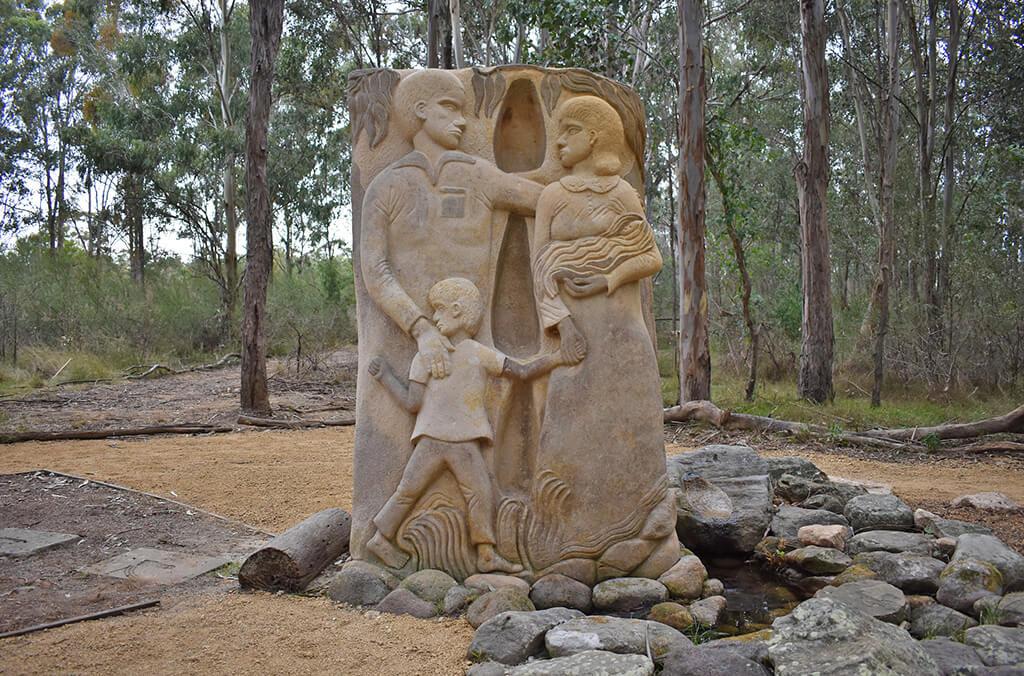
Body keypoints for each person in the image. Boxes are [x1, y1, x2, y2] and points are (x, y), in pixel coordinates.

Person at [526, 95, 678, 579]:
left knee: (629, 432)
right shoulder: (553, 195)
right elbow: (540, 268)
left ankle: (636, 532)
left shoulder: (622, 193)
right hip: (575, 339)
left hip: (623, 337)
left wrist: (607, 277)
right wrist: (562, 324)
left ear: (593, 137)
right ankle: (568, 541)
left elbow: (649, 256)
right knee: (568, 430)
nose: (560, 143)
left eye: (568, 133)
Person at [366, 277, 579, 573]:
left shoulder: (479, 354)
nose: (434, 318)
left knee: (477, 492)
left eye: (438, 310)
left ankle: (485, 555)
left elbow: (522, 371)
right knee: (414, 491)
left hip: (463, 441)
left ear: (457, 310)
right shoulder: (427, 356)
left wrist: (558, 359)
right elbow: (412, 404)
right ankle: (380, 539)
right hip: (435, 439)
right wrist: (385, 377)